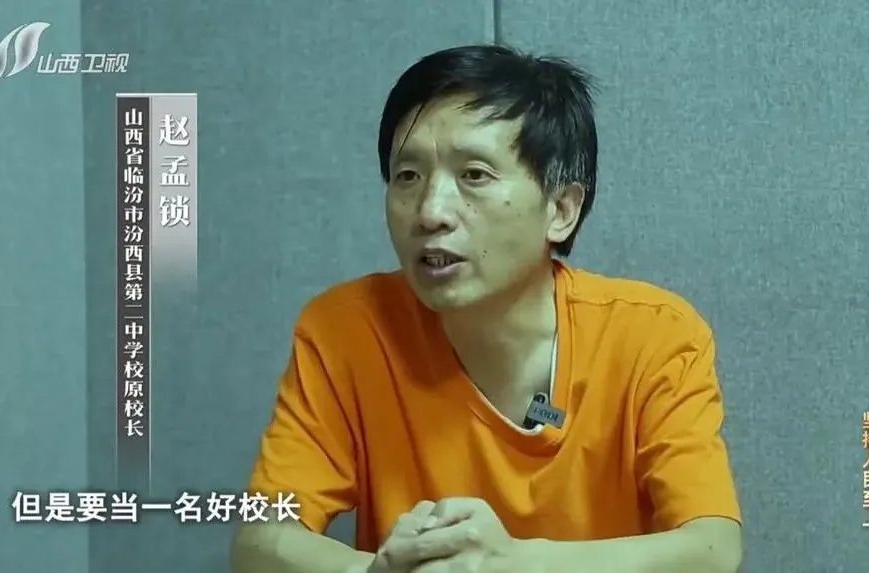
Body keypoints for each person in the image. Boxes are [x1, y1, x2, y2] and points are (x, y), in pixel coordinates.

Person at [231, 44, 743, 573]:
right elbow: (260, 541)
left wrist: (512, 564)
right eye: (407, 176)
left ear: (561, 209)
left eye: (474, 175)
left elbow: (712, 549)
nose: (431, 211)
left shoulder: (653, 336)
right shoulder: (345, 331)